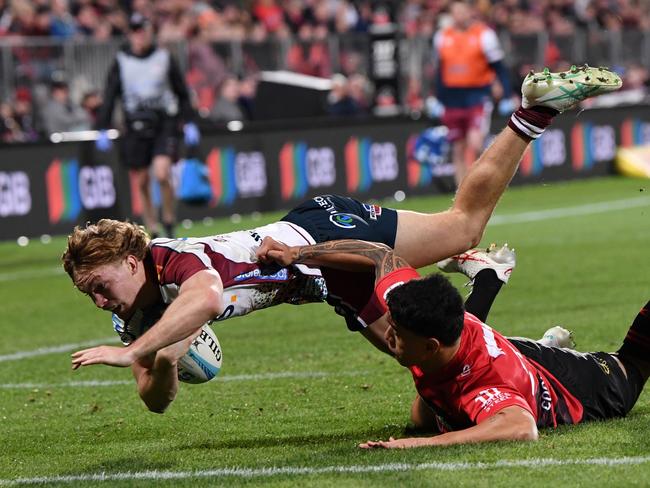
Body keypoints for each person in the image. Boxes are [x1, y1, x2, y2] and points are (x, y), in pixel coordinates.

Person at [66, 66, 620, 411]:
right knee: (427, 360)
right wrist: (160, 359)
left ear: (130, 257)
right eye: (86, 294)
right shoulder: (133, 318)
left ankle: (534, 110)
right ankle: (536, 349)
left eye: (98, 282)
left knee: (462, 226)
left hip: (321, 236)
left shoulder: (170, 259)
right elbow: (155, 402)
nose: (96, 299)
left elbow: (207, 297)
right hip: (325, 282)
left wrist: (135, 350)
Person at [255, 237, 647, 448]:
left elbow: (520, 427)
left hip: (596, 385)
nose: (387, 335)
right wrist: (297, 254)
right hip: (512, 356)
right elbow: (378, 253)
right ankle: (491, 278)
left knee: (635, 363)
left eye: (397, 335)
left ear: (428, 345)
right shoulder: (415, 312)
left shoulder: (482, 384)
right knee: (423, 415)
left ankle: (494, 282)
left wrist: (423, 446)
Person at [94, 13, 200, 238]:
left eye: (143, 30)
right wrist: (102, 126)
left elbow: (181, 92)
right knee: (142, 180)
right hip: (135, 125)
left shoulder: (164, 57)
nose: (139, 35)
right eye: (135, 31)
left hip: (163, 122)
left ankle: (169, 220)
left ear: (150, 32)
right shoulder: (122, 60)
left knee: (162, 173)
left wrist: (189, 121)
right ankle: (152, 227)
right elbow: (110, 94)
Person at [431, 0, 516, 186]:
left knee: (476, 143)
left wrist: (507, 96)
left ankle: (481, 184)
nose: (459, 15)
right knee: (457, 147)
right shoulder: (442, 37)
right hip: (452, 99)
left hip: (476, 95)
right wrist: (437, 99)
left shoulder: (484, 35)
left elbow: (499, 68)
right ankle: (461, 193)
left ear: (469, 12)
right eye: (456, 11)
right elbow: (439, 71)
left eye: (462, 11)